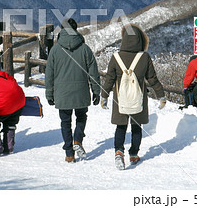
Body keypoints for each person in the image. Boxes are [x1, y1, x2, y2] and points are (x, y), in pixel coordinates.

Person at [101, 23, 166, 170]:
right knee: (136, 127)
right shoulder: (144, 57)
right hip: (139, 99)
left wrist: (104, 96)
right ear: (140, 40)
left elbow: (109, 79)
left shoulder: (115, 57)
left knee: (121, 126)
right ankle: (134, 154)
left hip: (120, 98)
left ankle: (119, 151)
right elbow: (152, 79)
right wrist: (161, 95)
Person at [45, 18, 101, 163]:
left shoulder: (55, 50)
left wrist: (49, 94)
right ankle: (78, 140)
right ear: (76, 30)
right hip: (81, 91)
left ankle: (69, 154)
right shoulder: (85, 49)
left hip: (62, 93)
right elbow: (93, 73)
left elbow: (49, 75)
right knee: (81, 117)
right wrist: (96, 91)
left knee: (65, 122)